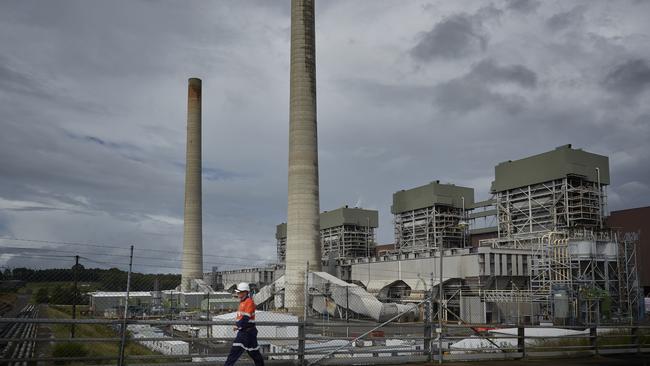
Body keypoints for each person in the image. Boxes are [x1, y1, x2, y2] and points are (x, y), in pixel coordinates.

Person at [224, 282, 265, 366]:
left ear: (245, 292)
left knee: (233, 354)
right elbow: (241, 317)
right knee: (255, 354)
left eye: (239, 292)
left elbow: (246, 318)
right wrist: (238, 324)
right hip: (248, 332)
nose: (237, 293)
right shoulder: (242, 302)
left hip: (246, 332)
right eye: (237, 292)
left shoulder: (249, 302)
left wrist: (237, 325)